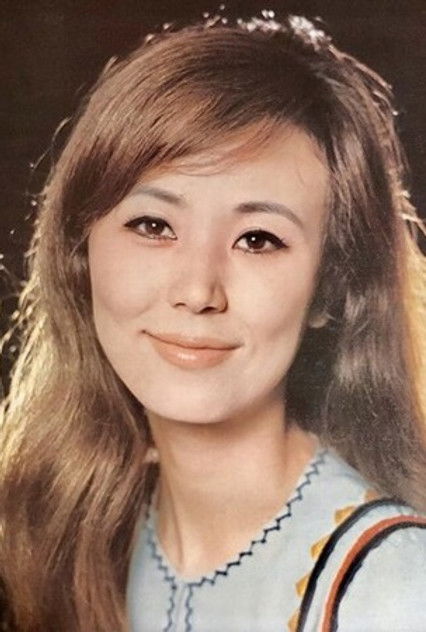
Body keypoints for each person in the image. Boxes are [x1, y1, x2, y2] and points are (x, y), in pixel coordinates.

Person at [1, 13, 426, 632]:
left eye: (258, 239)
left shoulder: (394, 588)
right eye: (153, 226)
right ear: (80, 253)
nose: (198, 291)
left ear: (330, 289)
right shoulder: (78, 531)